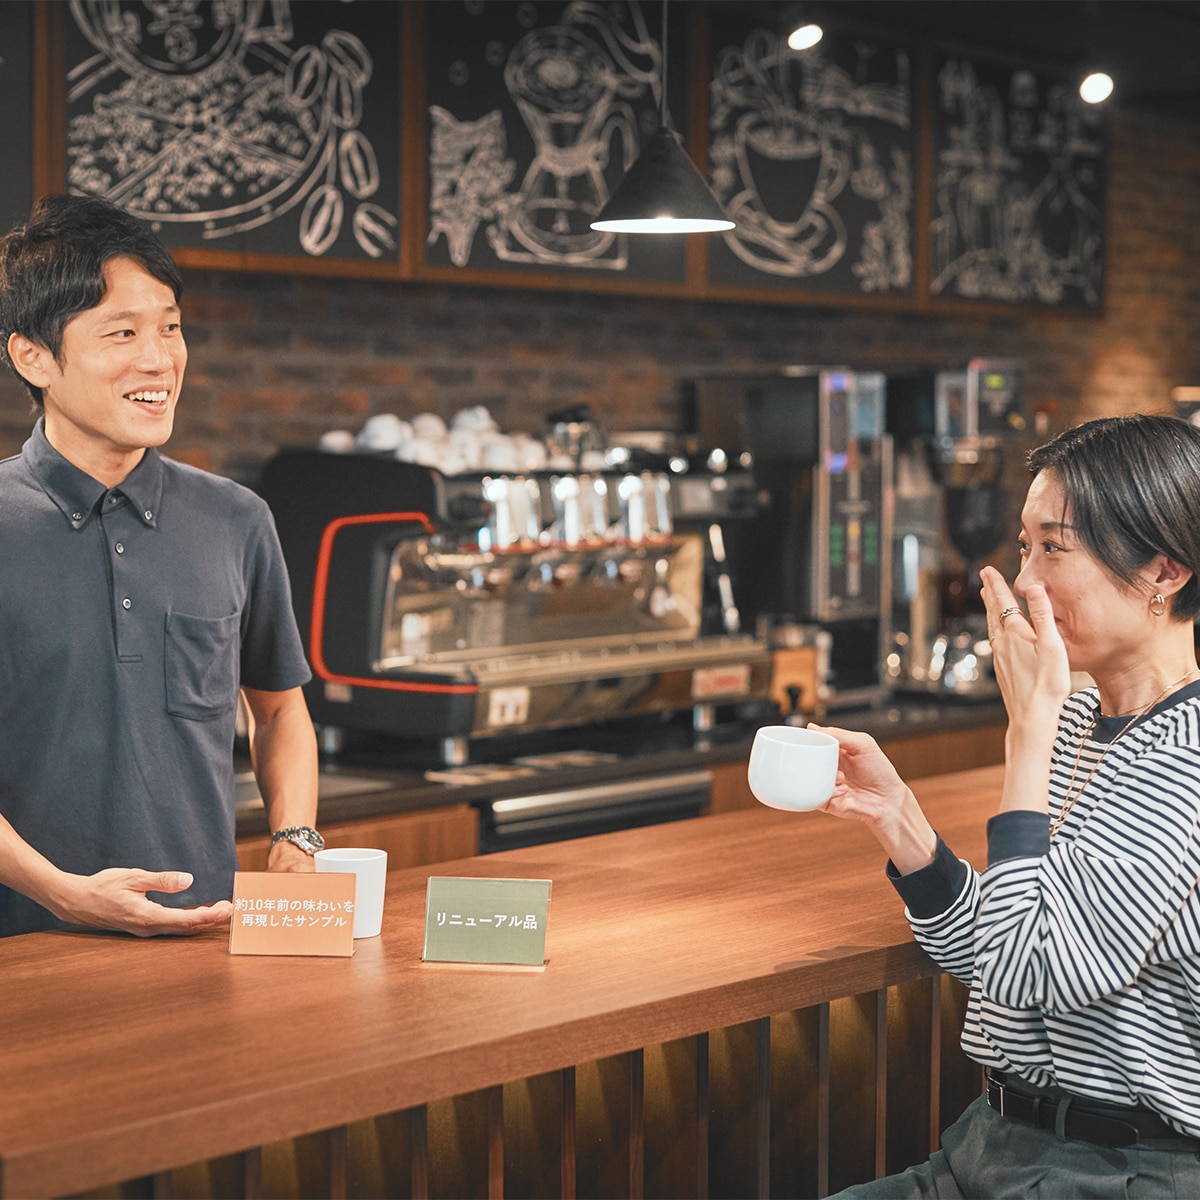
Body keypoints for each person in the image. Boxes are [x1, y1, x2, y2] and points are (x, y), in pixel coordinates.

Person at [817, 413, 1200, 1197]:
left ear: (1164, 571)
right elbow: (998, 951)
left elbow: (1032, 966)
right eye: (1025, 547)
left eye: (1055, 547)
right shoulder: (1085, 722)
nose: (1025, 581)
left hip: (1115, 1170)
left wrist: (1028, 732)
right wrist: (902, 824)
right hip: (994, 1144)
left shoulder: (1183, 758)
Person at [0, 194, 320, 939]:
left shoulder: (236, 519)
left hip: (205, 936)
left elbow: (277, 712)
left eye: (170, 328)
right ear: (33, 356)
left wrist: (294, 840)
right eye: (122, 333)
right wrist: (62, 893)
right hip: (23, 952)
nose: (159, 359)